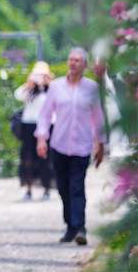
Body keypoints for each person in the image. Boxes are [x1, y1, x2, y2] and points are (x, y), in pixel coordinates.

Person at [35, 47, 105, 246]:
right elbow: (45, 114)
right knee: (63, 188)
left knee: (76, 186)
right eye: (71, 59)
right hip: (59, 144)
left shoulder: (91, 88)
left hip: (82, 146)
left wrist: (100, 144)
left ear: (85, 65)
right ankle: (70, 226)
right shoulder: (56, 87)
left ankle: (80, 227)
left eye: (78, 60)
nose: (73, 63)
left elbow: (98, 117)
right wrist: (42, 139)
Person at [14, 61, 54, 201]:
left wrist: (49, 83)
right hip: (29, 125)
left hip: (47, 126)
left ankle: (47, 189)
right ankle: (29, 189)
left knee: (46, 159)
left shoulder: (51, 90)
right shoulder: (30, 91)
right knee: (27, 158)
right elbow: (17, 95)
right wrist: (29, 84)